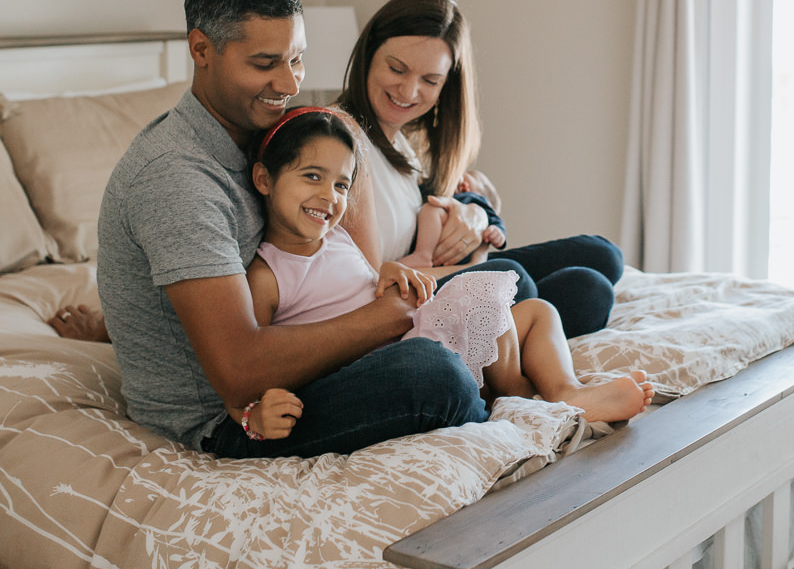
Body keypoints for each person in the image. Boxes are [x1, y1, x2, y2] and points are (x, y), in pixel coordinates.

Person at [94, 0, 487, 459]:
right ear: (201, 50)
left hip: (302, 365)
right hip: (235, 417)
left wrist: (469, 212)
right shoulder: (176, 178)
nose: (289, 83)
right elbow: (239, 372)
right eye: (264, 64)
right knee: (436, 374)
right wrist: (389, 316)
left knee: (534, 280)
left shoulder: (266, 138)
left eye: (296, 59)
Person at [225, 107, 653, 448]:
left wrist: (389, 273)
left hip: (416, 327)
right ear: (263, 178)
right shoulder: (267, 276)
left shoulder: (337, 238)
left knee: (537, 309)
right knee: (485, 292)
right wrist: (253, 414)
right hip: (388, 359)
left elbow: (365, 280)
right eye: (312, 177)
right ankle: (524, 397)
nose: (328, 196)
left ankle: (566, 390)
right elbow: (249, 368)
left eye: (341, 185)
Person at [339, 0, 623, 338]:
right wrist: (478, 261)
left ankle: (523, 332)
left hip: (437, 274)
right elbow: (373, 283)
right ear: (368, 54)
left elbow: (443, 209)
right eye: (397, 69)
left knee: (601, 259)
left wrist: (474, 214)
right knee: (534, 281)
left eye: (430, 80)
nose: (409, 91)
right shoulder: (342, 139)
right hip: (404, 296)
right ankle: (522, 337)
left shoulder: (403, 145)